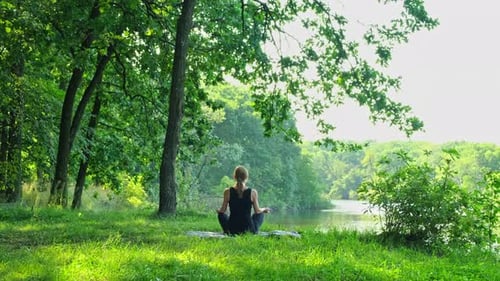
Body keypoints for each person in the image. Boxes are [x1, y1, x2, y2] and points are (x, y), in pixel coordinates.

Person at [216, 165, 271, 235]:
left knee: (221, 215)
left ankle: (227, 231)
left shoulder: (227, 192)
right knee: (260, 214)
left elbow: (222, 211)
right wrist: (264, 209)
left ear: (234, 177)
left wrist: (219, 211)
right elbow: (257, 211)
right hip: (249, 229)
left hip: (232, 229)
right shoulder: (253, 192)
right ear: (246, 177)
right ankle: (255, 231)